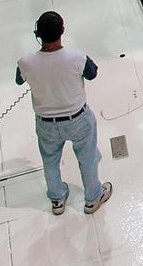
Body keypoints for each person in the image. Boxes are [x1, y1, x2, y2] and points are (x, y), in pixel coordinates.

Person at [15, 11, 113, 215]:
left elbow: (19, 80)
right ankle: (93, 198)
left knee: (50, 161)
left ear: (38, 34)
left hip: (45, 124)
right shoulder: (77, 57)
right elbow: (92, 73)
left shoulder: (25, 62)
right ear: (63, 31)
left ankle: (57, 199)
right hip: (78, 120)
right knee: (87, 158)